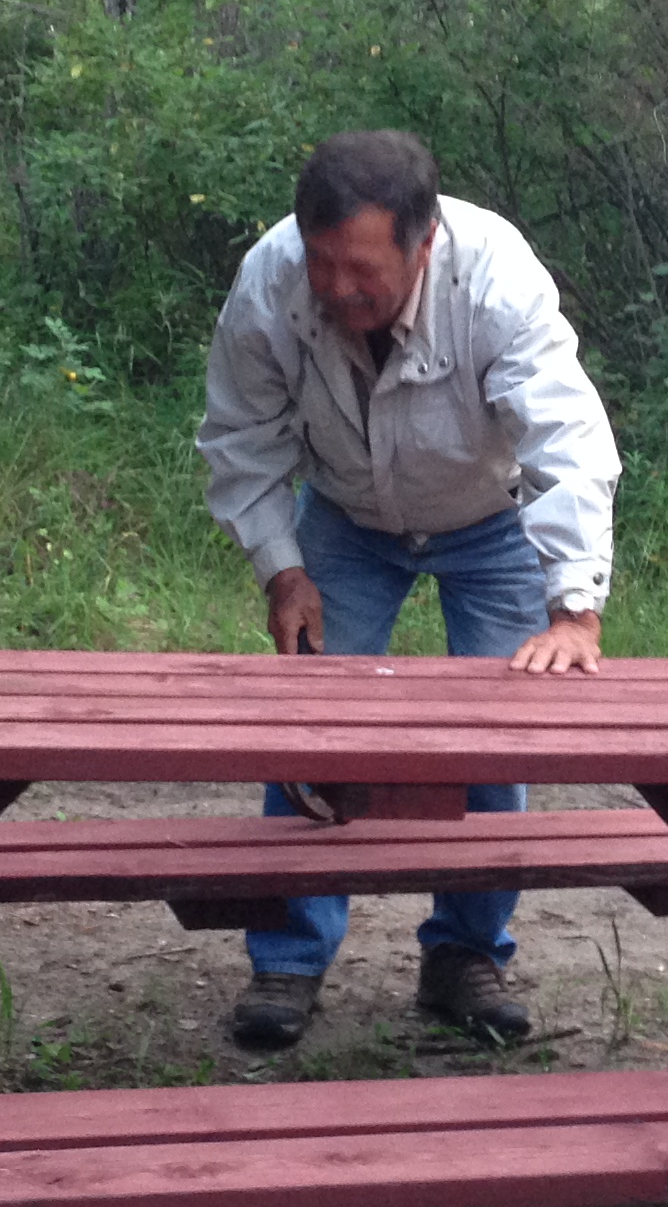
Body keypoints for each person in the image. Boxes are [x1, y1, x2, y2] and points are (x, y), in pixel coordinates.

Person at [196, 129, 621, 1051]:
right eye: (322, 264)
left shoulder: (498, 279)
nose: (337, 289)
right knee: (311, 718)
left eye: (363, 271)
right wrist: (284, 567)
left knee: (501, 728)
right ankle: (288, 960)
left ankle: (467, 955)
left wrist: (575, 607)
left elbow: (567, 442)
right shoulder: (272, 278)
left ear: (423, 244)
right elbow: (241, 433)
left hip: (490, 517)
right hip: (346, 517)